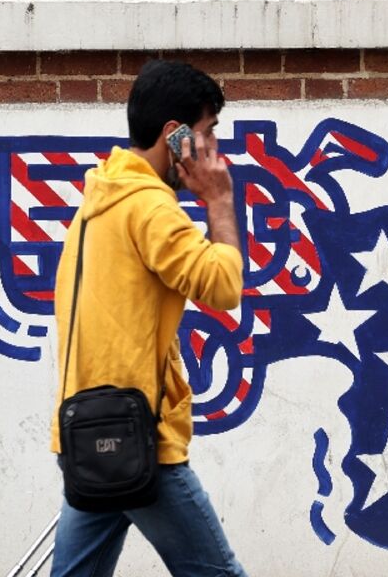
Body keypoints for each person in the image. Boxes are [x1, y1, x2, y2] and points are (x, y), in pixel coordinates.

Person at [49, 61, 247, 577]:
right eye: (205, 135)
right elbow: (223, 287)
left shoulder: (101, 197)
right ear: (174, 135)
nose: (211, 151)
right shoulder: (150, 208)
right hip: (137, 441)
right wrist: (219, 200)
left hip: (91, 435)